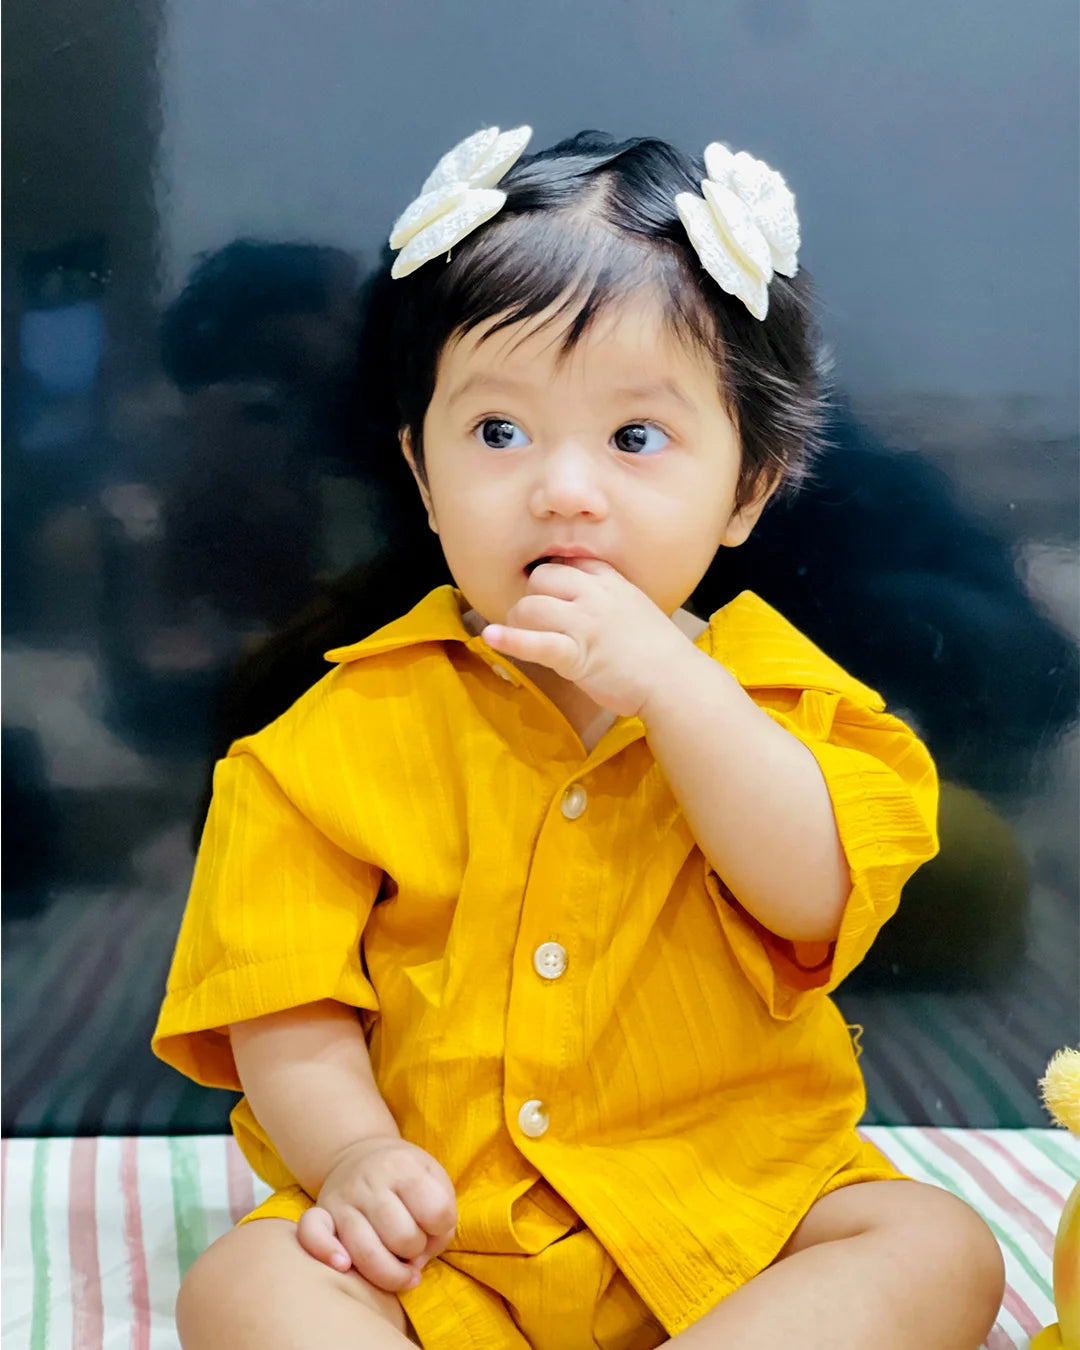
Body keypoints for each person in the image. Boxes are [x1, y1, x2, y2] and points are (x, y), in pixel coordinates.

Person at [152, 126, 1005, 1349]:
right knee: (245, 1286)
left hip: (740, 1221)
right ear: (424, 473)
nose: (563, 489)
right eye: (499, 433)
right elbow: (284, 1008)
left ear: (748, 489)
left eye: (636, 439)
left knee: (933, 1246)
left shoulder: (795, 710)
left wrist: (674, 687)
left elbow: (818, 895)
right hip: (446, 1243)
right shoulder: (328, 737)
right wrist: (352, 1156)